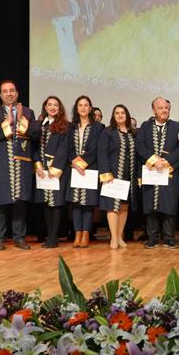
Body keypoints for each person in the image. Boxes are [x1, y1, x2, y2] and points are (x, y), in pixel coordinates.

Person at [0, 80, 40, 250]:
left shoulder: (28, 112)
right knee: (0, 203)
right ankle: (0, 238)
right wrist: (6, 124)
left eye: (12, 91)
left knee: (20, 202)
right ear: (1, 95)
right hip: (2, 163)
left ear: (16, 93)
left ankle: (19, 237)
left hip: (21, 164)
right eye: (5, 91)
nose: (9, 94)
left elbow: (36, 134)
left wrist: (25, 124)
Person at [137, 96, 179, 248]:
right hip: (151, 171)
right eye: (161, 108)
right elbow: (140, 146)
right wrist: (153, 160)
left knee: (169, 204)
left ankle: (169, 237)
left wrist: (167, 161)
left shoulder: (177, 127)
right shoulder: (145, 126)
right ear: (154, 110)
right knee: (151, 205)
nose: (164, 111)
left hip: (170, 172)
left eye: (166, 108)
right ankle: (153, 237)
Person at [66, 95, 104, 248]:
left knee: (87, 204)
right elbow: (67, 148)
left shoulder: (98, 127)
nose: (83, 107)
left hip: (90, 168)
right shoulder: (70, 127)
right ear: (77, 108)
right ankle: (77, 234)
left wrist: (82, 163)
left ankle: (86, 234)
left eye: (86, 105)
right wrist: (75, 163)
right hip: (74, 168)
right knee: (76, 204)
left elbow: (96, 149)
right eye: (80, 105)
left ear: (90, 108)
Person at [98, 104, 138, 249]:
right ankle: (113, 238)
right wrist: (106, 173)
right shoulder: (108, 132)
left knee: (124, 207)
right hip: (113, 175)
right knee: (112, 207)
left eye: (122, 113)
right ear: (113, 116)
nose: (120, 115)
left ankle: (120, 236)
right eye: (117, 113)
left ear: (127, 115)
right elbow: (102, 154)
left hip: (129, 175)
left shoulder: (133, 133)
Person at [33, 96, 70, 248]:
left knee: (56, 204)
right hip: (41, 170)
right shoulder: (39, 125)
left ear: (60, 108)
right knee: (46, 203)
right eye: (50, 105)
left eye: (56, 105)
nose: (53, 107)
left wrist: (54, 168)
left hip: (57, 170)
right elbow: (33, 147)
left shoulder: (65, 126)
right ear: (45, 107)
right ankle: (49, 236)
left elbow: (64, 149)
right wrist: (38, 166)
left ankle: (54, 237)